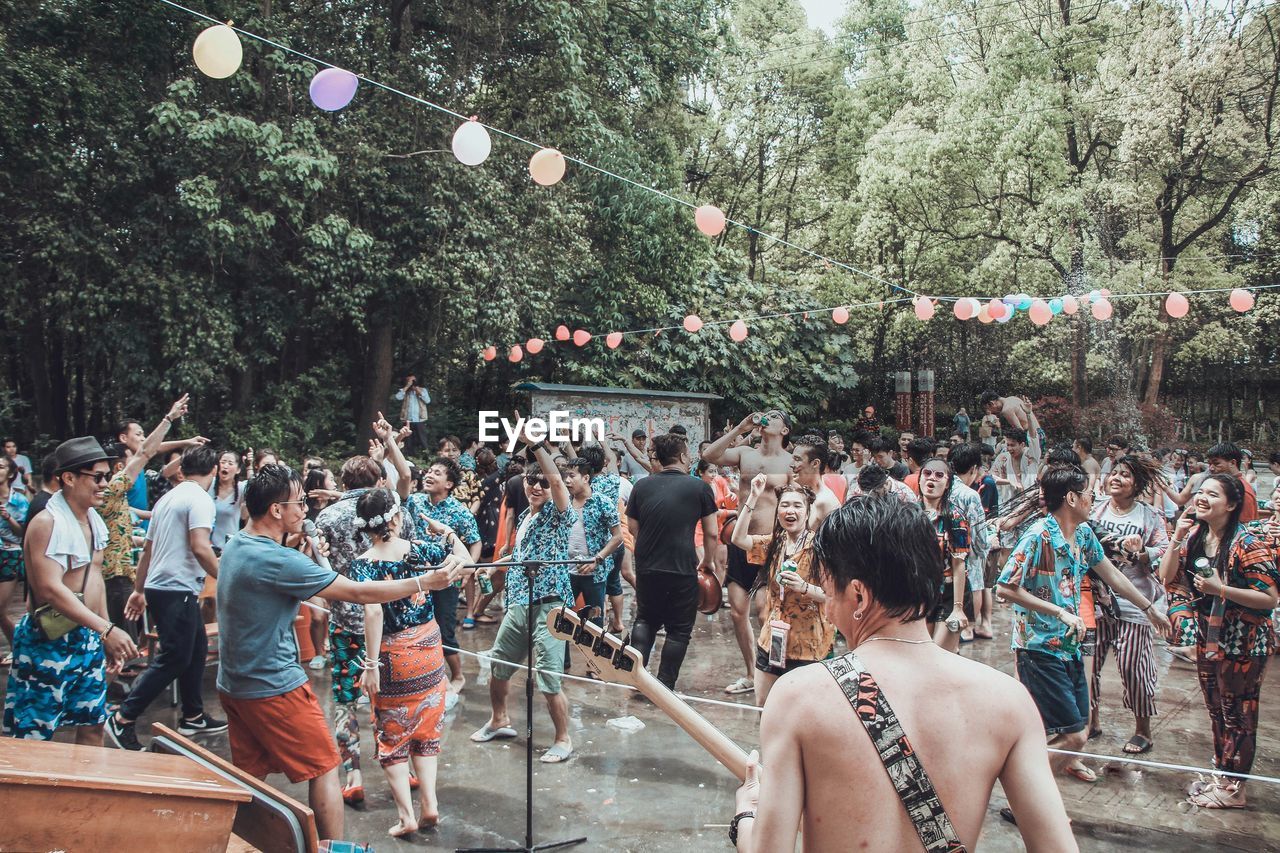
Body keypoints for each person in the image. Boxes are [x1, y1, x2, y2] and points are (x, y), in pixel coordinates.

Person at [727, 495, 1076, 852]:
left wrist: (747, 814)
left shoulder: (799, 696)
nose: (828, 610)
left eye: (829, 591)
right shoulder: (1009, 701)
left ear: (858, 596)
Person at [217, 463, 466, 843]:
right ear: (276, 511)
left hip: (235, 684)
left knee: (251, 776)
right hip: (274, 685)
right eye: (300, 502)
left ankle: (240, 842)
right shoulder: (278, 560)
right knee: (324, 767)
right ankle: (331, 848)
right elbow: (359, 594)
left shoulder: (239, 543)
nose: (306, 510)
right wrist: (423, 581)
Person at [996, 465, 1171, 821]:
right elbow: (1004, 588)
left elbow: (1112, 573)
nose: (1096, 499)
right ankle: (1022, 798)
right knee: (1074, 736)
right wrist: (1058, 613)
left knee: (1076, 730)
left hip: (1071, 645)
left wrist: (1149, 607)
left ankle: (1029, 801)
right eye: (1090, 493)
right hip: (1039, 648)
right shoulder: (1038, 536)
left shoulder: (1084, 533)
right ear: (1072, 498)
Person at [352, 488, 471, 837]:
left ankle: (406, 817)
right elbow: (463, 562)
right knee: (425, 729)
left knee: (392, 734)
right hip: (429, 648)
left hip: (393, 657)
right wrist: (446, 532)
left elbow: (373, 611)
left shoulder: (364, 563)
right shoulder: (419, 550)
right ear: (396, 518)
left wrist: (370, 665)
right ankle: (430, 803)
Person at [4, 437, 139, 742]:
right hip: (47, 640)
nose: (105, 484)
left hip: (87, 635)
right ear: (69, 478)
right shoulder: (47, 522)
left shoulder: (94, 520)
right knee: (34, 734)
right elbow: (49, 588)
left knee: (92, 725)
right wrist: (106, 629)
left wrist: (106, 632)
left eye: (108, 476)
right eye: (98, 477)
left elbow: (94, 580)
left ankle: (87, 790)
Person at [1160, 473, 1277, 809]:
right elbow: (1167, 577)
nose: (1201, 497)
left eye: (1212, 494)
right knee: (1216, 710)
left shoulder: (1247, 543)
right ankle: (1223, 776)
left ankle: (1235, 790)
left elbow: (1269, 598)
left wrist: (1221, 590)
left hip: (1244, 644)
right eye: (1201, 491)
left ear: (1231, 504)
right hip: (1208, 640)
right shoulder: (1196, 535)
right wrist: (1176, 538)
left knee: (1238, 712)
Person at [106, 445, 224, 750]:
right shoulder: (200, 499)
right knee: (174, 657)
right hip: (176, 588)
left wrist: (139, 589)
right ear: (212, 471)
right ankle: (122, 719)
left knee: (196, 648)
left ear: (183, 469)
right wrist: (227, 579)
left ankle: (193, 716)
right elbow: (200, 546)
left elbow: (147, 549)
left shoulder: (167, 499)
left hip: (162, 587)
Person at [471, 432, 578, 764]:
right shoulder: (529, 517)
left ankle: (563, 738)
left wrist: (536, 447)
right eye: (532, 482)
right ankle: (499, 720)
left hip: (550, 604)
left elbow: (557, 483)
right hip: (518, 602)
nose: (537, 487)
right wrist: (489, 569)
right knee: (499, 667)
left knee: (547, 678)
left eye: (542, 484)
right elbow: (519, 554)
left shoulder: (559, 515)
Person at [314, 452, 407, 807]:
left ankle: (352, 772)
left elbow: (321, 565)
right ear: (379, 480)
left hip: (346, 619)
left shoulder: (327, 516)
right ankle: (401, 765)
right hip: (390, 621)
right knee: (392, 699)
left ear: (344, 483)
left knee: (345, 701)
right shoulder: (396, 514)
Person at [704, 411, 795, 695]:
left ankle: (776, 673)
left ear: (785, 430)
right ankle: (751, 672)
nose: (768, 418)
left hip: (773, 544)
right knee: (738, 611)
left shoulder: (791, 461)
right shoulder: (745, 453)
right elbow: (710, 455)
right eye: (765, 415)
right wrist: (742, 428)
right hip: (741, 542)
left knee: (768, 610)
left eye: (776, 416)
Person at [1087, 455, 1170, 755]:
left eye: (1125, 475)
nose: (1116, 478)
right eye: (1114, 473)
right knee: (1090, 665)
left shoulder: (1149, 516)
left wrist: (1142, 553)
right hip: (1096, 600)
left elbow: (1163, 548)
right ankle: (1091, 721)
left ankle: (1142, 731)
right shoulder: (1094, 510)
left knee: (1133, 666)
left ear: (1138, 484)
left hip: (1135, 602)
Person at [627, 432, 718, 690]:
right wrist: (709, 561)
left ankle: (637, 680)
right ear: (681, 456)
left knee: (645, 620)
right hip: (682, 565)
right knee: (679, 629)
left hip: (647, 565)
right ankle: (664, 686)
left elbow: (633, 525)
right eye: (688, 454)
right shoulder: (700, 487)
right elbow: (711, 532)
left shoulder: (642, 485)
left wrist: (648, 548)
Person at [730, 475, 831, 706]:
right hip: (774, 639)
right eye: (784, 505)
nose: (790, 511)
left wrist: (804, 587)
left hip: (809, 645)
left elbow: (833, 595)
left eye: (797, 505)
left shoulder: (820, 548)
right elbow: (738, 538)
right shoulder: (774, 543)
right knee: (764, 704)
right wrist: (753, 497)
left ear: (807, 512)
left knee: (803, 711)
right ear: (778, 512)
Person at [405, 455, 482, 697]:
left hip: (445, 578)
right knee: (415, 627)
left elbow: (475, 542)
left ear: (449, 484)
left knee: (444, 629)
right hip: (415, 578)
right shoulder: (414, 502)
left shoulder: (458, 510)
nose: (429, 475)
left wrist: (468, 571)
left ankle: (457, 675)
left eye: (437, 473)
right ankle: (425, 675)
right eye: (429, 471)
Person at [560, 457, 623, 657]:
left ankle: (595, 664)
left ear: (586, 477)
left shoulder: (602, 502)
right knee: (564, 618)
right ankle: (562, 662)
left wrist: (598, 559)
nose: (567, 481)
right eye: (565, 477)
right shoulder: (563, 502)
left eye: (572, 476)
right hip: (565, 571)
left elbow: (617, 537)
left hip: (594, 573)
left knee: (594, 620)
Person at [917, 458, 970, 653]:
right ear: (920, 478)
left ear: (947, 484)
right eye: (927, 473)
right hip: (918, 594)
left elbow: (959, 564)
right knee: (919, 655)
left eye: (939, 475)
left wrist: (958, 607)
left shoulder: (955, 517)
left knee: (939, 655)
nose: (932, 478)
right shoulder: (908, 513)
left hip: (949, 594)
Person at [0, 455, 31, 654]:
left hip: (10, 555)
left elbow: (23, 532)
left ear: (10, 473)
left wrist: (8, 517)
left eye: (1, 467)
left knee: (0, 610)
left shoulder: (18, 500)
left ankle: (18, 650)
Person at [788, 435, 840, 530]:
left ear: (815, 463)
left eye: (797, 459)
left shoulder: (826, 502)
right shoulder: (800, 492)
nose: (791, 465)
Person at [395, 375, 431, 457]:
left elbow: (428, 401)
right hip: (407, 421)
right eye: (409, 381)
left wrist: (418, 390)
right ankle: (410, 457)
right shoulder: (405, 391)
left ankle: (426, 457)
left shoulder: (422, 390)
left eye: (413, 380)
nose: (412, 383)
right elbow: (398, 397)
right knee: (408, 441)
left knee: (422, 440)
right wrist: (407, 386)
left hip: (419, 420)